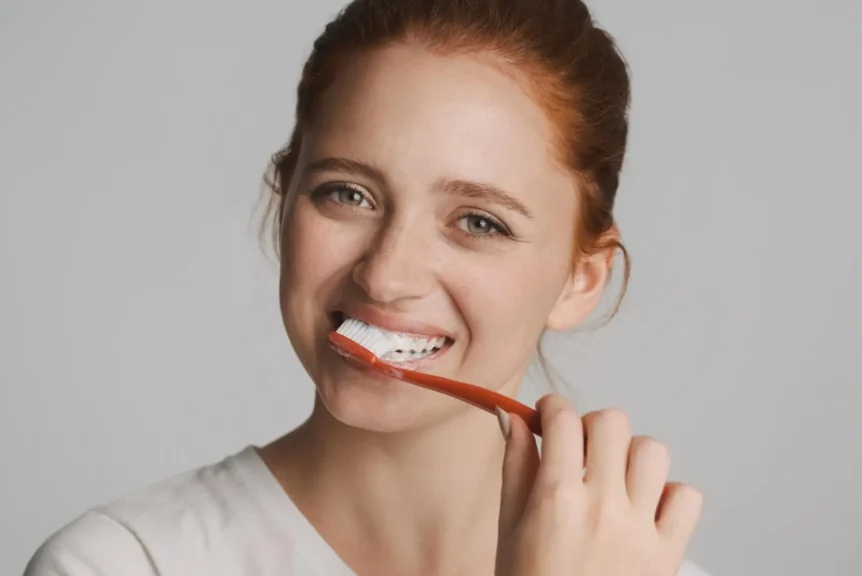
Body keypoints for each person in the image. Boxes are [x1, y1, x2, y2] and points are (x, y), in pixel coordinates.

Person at [25, 0, 708, 574]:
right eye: (347, 194)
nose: (386, 274)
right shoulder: (122, 563)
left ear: (579, 280)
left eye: (478, 221)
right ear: (284, 197)